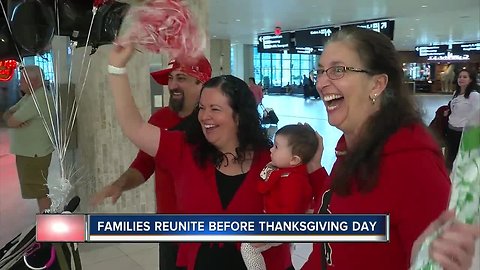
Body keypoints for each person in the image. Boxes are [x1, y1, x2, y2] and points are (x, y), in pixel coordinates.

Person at [101, 42, 300, 269]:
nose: (205, 116)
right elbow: (134, 127)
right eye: (202, 108)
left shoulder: (272, 158)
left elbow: (303, 207)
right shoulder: (183, 149)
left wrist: (282, 231)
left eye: (215, 109)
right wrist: (117, 69)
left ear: (239, 116)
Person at [300, 27, 479, 270]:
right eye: (320, 71)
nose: (321, 82)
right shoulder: (351, 151)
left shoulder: (414, 168)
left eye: (337, 70)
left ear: (377, 84)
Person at [91, 56, 212, 269]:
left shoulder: (214, 123)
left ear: (201, 83)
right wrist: (120, 184)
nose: (172, 85)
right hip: (168, 224)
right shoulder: (159, 120)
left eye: (181, 78)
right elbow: (145, 164)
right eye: (171, 78)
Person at [241, 124, 318, 270]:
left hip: (280, 226)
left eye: (276, 147)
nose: (271, 149)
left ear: (294, 160)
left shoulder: (294, 181)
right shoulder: (283, 173)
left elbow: (291, 211)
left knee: (248, 247)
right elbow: (262, 187)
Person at [2, 66, 53, 213]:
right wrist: (11, 117)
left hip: (34, 153)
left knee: (39, 191)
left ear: (34, 81)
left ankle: (49, 222)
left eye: (23, 79)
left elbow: (11, 121)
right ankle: (47, 220)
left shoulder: (39, 98)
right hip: (29, 152)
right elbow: (8, 115)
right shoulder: (30, 96)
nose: (19, 82)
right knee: (38, 190)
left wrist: (13, 118)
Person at [445, 68, 479, 170]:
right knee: (450, 158)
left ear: (471, 80)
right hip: (451, 130)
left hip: (464, 133)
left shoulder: (474, 95)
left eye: (465, 77)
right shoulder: (456, 93)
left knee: (463, 162)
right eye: (460, 77)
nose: (461, 79)